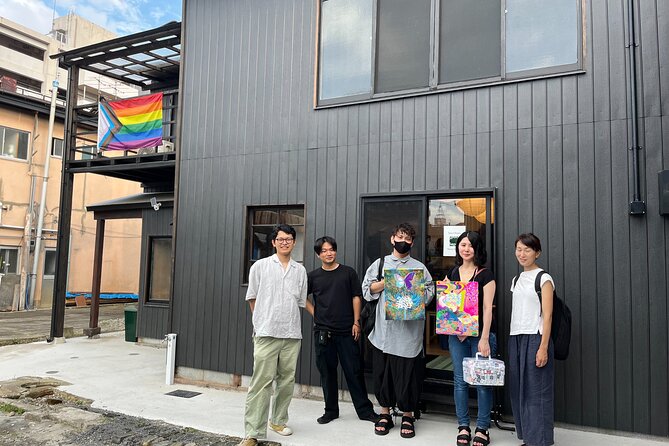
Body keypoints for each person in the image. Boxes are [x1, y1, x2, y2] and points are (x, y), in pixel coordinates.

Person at [362, 222, 434, 439]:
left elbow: (430, 292)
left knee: (407, 375)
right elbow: (366, 290)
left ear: (412, 242)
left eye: (408, 239)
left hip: (408, 332)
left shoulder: (419, 267)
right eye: (400, 237)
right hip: (383, 332)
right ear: (392, 239)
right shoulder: (380, 263)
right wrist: (388, 282)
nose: (403, 242)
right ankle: (384, 412)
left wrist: (417, 294)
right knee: (383, 374)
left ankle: (408, 414)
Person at [238, 224, 308, 446]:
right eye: (281, 239)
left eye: (289, 238)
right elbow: (252, 298)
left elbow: (300, 301)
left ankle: (278, 420)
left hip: (291, 333)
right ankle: (252, 432)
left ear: (294, 242)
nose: (285, 242)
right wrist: (261, 322)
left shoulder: (300, 271)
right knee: (261, 382)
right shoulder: (260, 266)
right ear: (273, 242)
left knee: (286, 381)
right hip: (266, 333)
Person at [305, 236, 378, 424]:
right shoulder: (313, 276)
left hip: (347, 330)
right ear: (318, 254)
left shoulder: (348, 273)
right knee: (327, 373)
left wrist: (356, 322)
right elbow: (302, 298)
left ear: (335, 251)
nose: (328, 253)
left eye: (331, 250)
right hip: (323, 333)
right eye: (324, 251)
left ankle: (365, 411)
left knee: (354, 371)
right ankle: (330, 411)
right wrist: (316, 315)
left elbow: (356, 297)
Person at [444, 231, 496, 446]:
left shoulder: (485, 274)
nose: (466, 249)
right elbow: (448, 304)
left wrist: (484, 338)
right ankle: (463, 426)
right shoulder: (453, 272)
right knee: (459, 382)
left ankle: (482, 428)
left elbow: (488, 309)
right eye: (462, 244)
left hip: (480, 337)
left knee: (482, 382)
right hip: (457, 337)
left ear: (477, 249)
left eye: (470, 245)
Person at [508, 233, 555, 446]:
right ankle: (529, 438)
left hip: (536, 338)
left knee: (538, 392)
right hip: (516, 338)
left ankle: (541, 441)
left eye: (527, 249)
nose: (522, 253)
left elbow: (548, 314)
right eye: (519, 249)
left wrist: (543, 346)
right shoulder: (516, 280)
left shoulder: (543, 278)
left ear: (537, 252)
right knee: (520, 391)